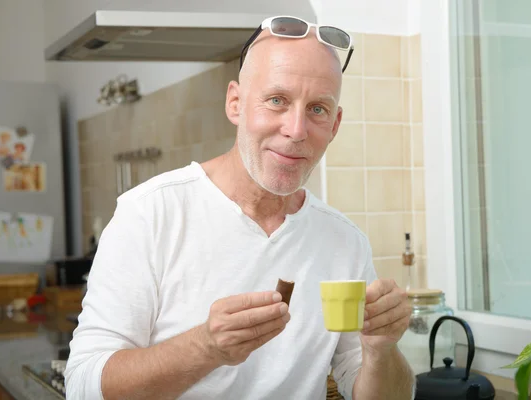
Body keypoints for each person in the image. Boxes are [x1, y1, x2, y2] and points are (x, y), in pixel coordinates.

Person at [64, 15, 415, 400]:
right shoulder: (149, 214)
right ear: (235, 103)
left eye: (318, 109)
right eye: (277, 100)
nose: (296, 129)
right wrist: (204, 347)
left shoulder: (345, 242)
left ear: (334, 125)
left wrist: (381, 351)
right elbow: (83, 385)